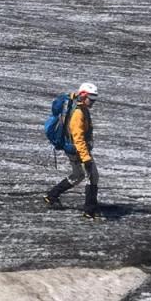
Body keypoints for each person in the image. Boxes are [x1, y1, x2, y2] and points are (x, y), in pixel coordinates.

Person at [44, 82, 102, 220]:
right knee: (92, 176)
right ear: (83, 96)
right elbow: (78, 139)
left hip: (72, 149)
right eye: (91, 99)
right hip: (77, 150)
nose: (93, 102)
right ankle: (90, 211)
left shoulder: (77, 106)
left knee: (78, 175)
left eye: (94, 99)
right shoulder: (78, 113)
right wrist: (86, 159)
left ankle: (52, 196)